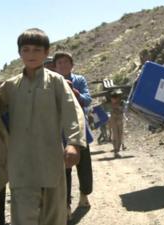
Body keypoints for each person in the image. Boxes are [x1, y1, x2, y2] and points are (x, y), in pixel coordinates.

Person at [0, 28, 86, 225]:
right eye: (26, 50)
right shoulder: (10, 86)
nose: (31, 54)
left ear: (46, 53)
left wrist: (74, 143)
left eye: (36, 50)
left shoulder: (56, 81)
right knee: (23, 218)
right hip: (21, 165)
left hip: (50, 162)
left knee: (53, 217)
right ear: (19, 53)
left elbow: (73, 111)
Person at [53, 51, 93, 220]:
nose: (63, 65)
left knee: (84, 166)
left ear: (72, 64)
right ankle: (66, 205)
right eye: (59, 63)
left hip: (79, 130)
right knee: (64, 170)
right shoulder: (51, 83)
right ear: (55, 67)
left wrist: (74, 91)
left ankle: (84, 195)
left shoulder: (80, 80)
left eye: (66, 62)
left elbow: (87, 99)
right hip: (59, 133)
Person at [109, 89, 125, 157]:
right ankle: (116, 151)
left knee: (120, 135)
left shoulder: (121, 103)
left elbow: (123, 109)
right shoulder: (112, 104)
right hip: (115, 120)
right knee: (116, 135)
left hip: (119, 120)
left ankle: (117, 150)